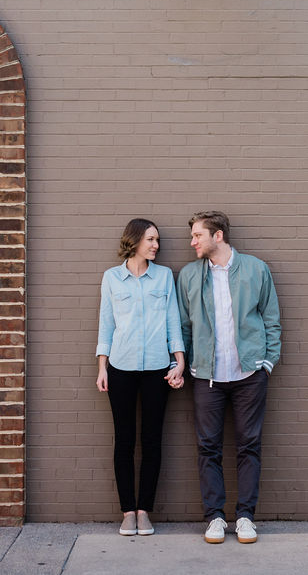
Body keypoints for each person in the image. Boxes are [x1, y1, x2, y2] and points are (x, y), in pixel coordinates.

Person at [176, 211, 281, 545]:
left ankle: (246, 516)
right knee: (208, 447)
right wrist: (184, 364)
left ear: (217, 236)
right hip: (207, 376)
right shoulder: (190, 276)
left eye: (197, 235)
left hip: (249, 374)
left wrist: (266, 363)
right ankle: (215, 518)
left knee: (249, 446)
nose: (192, 242)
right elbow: (183, 326)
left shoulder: (255, 269)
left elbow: (271, 319)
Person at [97, 218, 186, 537]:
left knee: (152, 442)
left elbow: (173, 321)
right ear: (134, 240)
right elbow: (106, 324)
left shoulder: (164, 277)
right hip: (120, 369)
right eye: (151, 239)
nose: (156, 245)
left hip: (157, 372)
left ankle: (144, 510)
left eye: (158, 240)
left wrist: (179, 362)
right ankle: (127, 512)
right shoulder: (112, 278)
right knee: (124, 441)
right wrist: (102, 367)